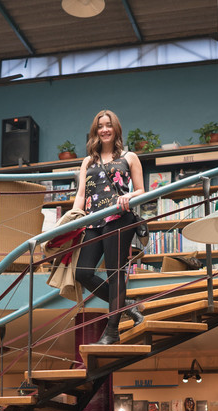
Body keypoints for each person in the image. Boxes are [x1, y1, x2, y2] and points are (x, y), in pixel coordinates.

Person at [71, 109, 146, 345]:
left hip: (119, 217)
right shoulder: (87, 162)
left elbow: (142, 190)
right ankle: (127, 307)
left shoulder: (129, 157)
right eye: (100, 126)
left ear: (116, 129)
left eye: (108, 125)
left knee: (115, 273)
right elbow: (81, 194)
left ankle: (112, 331)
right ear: (95, 131)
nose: (105, 129)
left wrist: (129, 197)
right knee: (82, 272)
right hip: (92, 221)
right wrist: (73, 217)